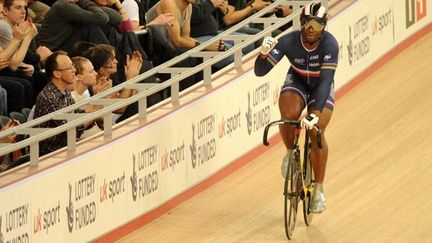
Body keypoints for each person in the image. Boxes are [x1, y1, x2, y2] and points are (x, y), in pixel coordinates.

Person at [254, 3, 338, 214]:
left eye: (317, 25)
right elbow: (260, 72)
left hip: (321, 85)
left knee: (315, 130)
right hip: (297, 81)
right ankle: (290, 152)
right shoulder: (288, 41)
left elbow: (326, 82)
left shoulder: (330, 45)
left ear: (324, 27)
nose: (312, 29)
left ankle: (318, 188)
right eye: (308, 23)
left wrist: (315, 114)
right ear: (301, 23)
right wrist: (262, 55)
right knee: (289, 115)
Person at [33, 51, 98, 156]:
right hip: (49, 155)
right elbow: (72, 129)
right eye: (69, 68)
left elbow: (78, 114)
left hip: (65, 148)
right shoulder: (49, 97)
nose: (74, 70)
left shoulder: (65, 92)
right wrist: (96, 111)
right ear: (57, 74)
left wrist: (96, 108)